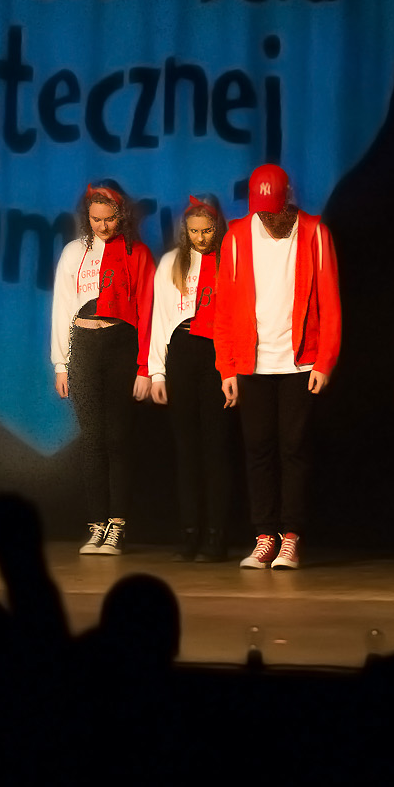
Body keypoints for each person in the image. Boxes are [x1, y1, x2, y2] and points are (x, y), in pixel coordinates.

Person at [213, 164, 341, 570]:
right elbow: (224, 308)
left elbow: (330, 302)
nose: (268, 219)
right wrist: (227, 368)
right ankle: (264, 535)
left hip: (300, 362)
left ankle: (291, 537)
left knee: (294, 449)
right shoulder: (236, 237)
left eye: (274, 211)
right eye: (262, 212)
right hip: (252, 363)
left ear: (288, 200)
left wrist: (325, 360)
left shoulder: (315, 233)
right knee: (258, 450)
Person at [51, 180, 155, 553]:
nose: (102, 226)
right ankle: (97, 524)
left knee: (117, 438)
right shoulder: (74, 251)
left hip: (120, 344)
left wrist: (145, 368)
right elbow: (62, 307)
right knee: (92, 439)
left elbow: (147, 311)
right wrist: (61, 363)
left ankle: (117, 525)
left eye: (109, 219)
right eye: (96, 219)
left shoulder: (136, 253)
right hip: (84, 345)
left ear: (120, 216)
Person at [148, 195, 231, 561]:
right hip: (181, 349)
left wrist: (233, 369)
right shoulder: (171, 262)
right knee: (186, 449)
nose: (201, 237)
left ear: (218, 227)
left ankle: (216, 536)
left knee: (216, 449)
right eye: (194, 231)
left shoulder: (229, 260)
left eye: (207, 230)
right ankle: (189, 533)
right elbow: (160, 320)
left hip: (216, 351)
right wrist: (157, 371)